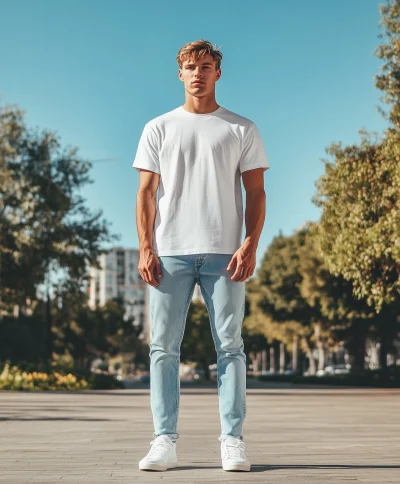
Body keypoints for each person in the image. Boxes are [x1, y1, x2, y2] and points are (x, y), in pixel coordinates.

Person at [132, 39, 269, 472]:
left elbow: (256, 191)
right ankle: (164, 442)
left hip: (226, 254)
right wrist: (146, 246)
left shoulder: (241, 128)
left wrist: (250, 242)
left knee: (230, 347)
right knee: (163, 349)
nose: (198, 73)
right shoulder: (159, 128)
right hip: (169, 252)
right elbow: (147, 193)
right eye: (190, 66)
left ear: (218, 73)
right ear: (180, 73)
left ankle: (232, 441)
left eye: (206, 66)